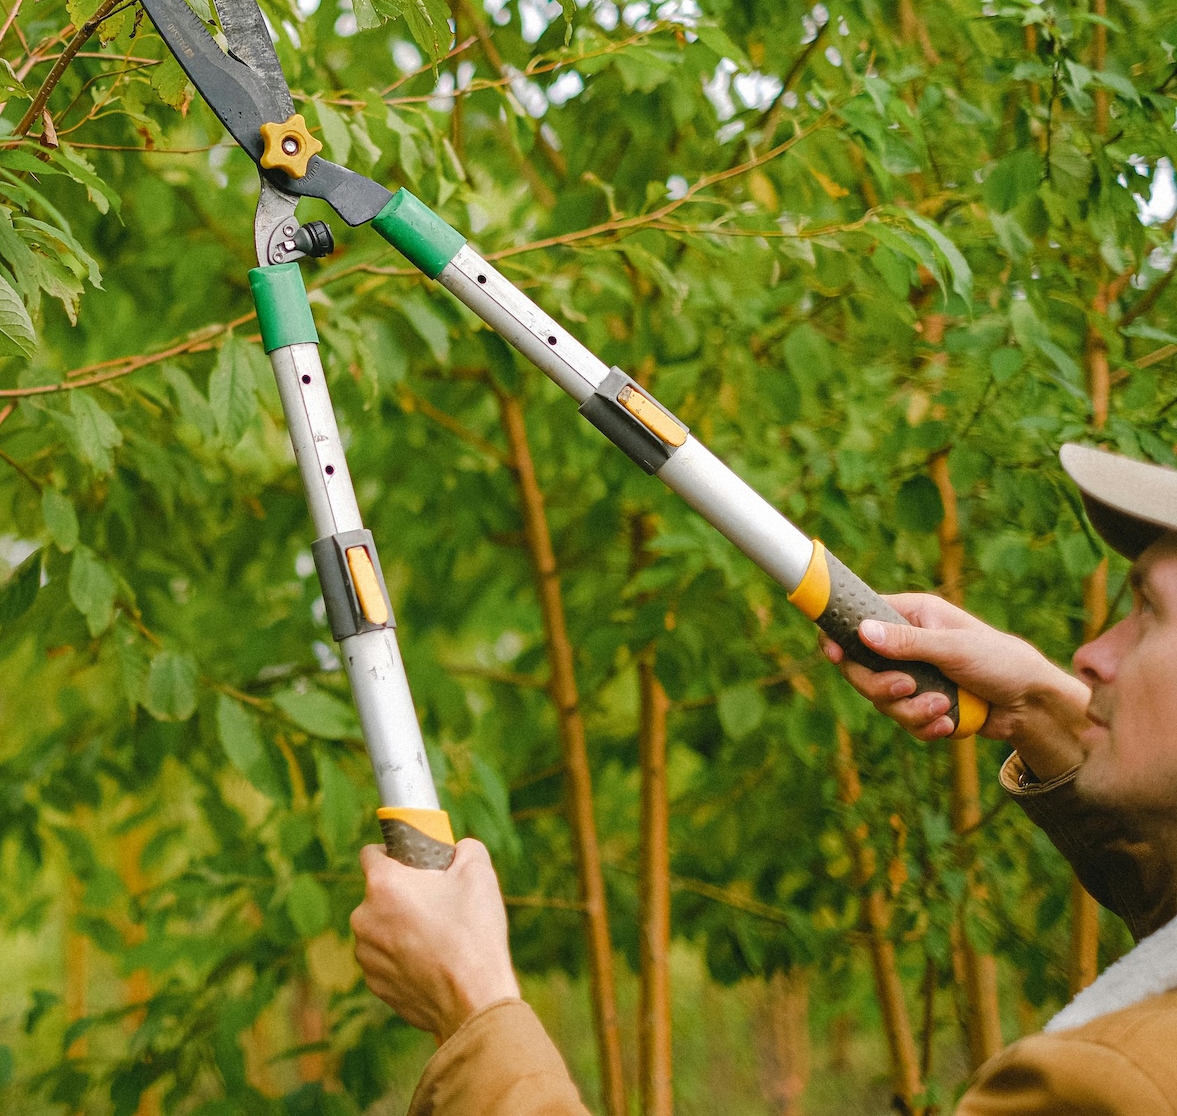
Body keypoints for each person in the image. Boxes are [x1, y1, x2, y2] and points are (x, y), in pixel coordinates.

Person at [350, 444, 1177, 1113]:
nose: (1090, 654)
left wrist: (476, 1011)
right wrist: (1044, 706)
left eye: (1148, 613)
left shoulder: (1105, 1087)